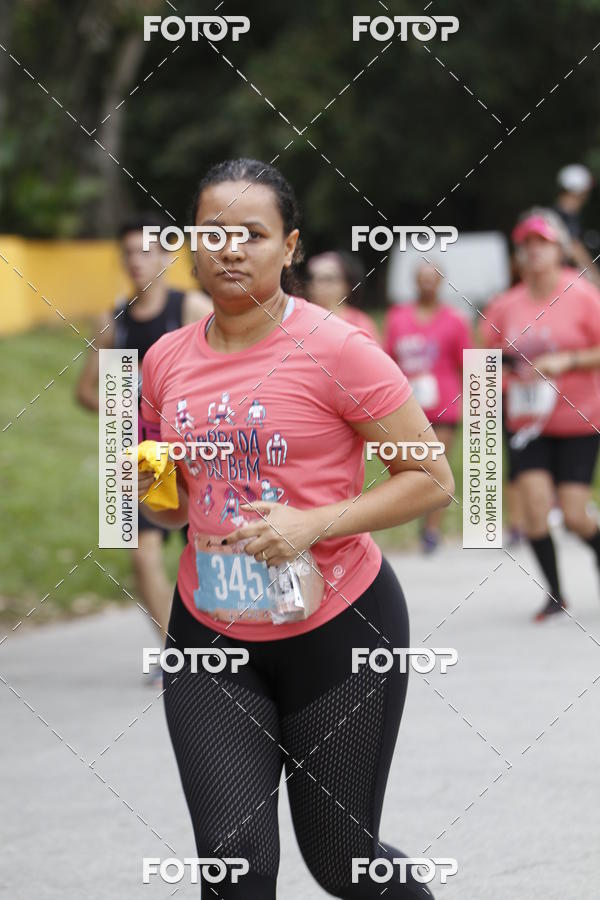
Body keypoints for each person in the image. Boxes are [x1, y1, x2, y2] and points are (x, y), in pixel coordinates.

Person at [137, 158, 454, 898]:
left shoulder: (339, 349)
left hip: (339, 627)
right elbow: (172, 508)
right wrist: (148, 486)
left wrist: (313, 523)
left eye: (252, 232)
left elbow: (431, 477)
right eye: (213, 231)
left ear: (290, 247)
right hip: (212, 625)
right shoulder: (163, 361)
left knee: (343, 861)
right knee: (234, 860)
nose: (230, 248)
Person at [76, 213, 212, 641]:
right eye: (129, 252)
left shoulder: (190, 309)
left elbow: (223, 372)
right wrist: (125, 414)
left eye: (146, 250)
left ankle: (223, 644)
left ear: (167, 255)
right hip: (137, 458)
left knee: (212, 549)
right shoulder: (115, 319)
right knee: (137, 553)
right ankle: (174, 649)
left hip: (195, 452)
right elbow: (86, 390)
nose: (137, 260)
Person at [481, 207, 600, 622]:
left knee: (573, 515)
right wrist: (504, 377)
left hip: (577, 420)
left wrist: (564, 362)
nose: (533, 252)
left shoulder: (583, 295)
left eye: (542, 244)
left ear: (559, 250)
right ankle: (556, 593)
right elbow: (485, 359)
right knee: (533, 509)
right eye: (526, 245)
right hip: (526, 425)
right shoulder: (504, 304)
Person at [382, 260, 472, 552]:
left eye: (432, 279)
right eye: (422, 278)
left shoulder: (455, 319)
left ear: (441, 282)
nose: (427, 284)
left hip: (443, 405)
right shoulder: (398, 317)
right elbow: (387, 360)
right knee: (410, 466)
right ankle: (410, 516)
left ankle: (431, 530)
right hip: (407, 406)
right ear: (414, 282)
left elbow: (466, 363)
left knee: (437, 464)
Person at [305, 250, 380, 342]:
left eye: (327, 279)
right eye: (313, 278)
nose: (317, 285)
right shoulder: (302, 320)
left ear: (346, 284)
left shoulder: (360, 324)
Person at [553, 163, 600, 288]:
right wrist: (596, 279)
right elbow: (575, 248)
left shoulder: (571, 216)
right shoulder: (562, 216)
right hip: (565, 285)